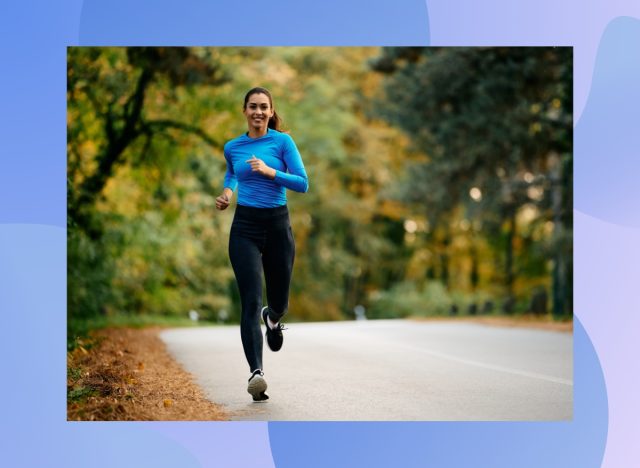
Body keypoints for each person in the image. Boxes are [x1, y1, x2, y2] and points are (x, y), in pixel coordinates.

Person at [215, 87, 309, 402]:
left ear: (271, 112)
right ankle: (257, 374)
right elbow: (232, 173)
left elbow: (303, 183)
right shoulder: (233, 146)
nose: (258, 111)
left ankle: (275, 318)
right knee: (251, 301)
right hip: (245, 228)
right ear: (244, 110)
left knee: (278, 302)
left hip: (278, 226)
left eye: (263, 107)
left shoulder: (283, 142)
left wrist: (271, 172)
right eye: (252, 106)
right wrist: (228, 192)